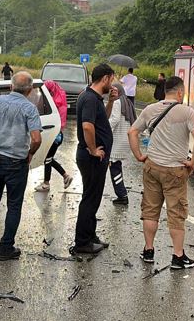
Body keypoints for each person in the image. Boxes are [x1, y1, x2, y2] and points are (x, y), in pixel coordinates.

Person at [129, 76, 194, 269]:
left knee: (150, 210)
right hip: (175, 170)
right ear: (180, 92)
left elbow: (132, 132)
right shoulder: (187, 112)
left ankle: (148, 250)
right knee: (176, 213)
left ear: (165, 91)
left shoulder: (149, 110)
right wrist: (193, 162)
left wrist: (139, 155)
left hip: (152, 166)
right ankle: (178, 257)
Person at [0, 71, 42, 260]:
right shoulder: (29, 109)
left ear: (11, 86)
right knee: (14, 205)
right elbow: (36, 139)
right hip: (16, 162)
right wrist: (29, 153)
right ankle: (6, 248)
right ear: (30, 90)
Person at [71, 63, 117, 254]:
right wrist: (93, 150)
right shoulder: (90, 98)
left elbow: (101, 121)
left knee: (93, 197)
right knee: (90, 198)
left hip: (93, 157)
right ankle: (83, 242)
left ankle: (90, 235)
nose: (112, 84)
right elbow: (88, 126)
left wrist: (111, 102)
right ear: (105, 78)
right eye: (111, 80)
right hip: (91, 158)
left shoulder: (94, 97)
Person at [34, 80, 74, 192]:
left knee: (47, 159)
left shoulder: (55, 103)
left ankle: (47, 183)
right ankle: (65, 176)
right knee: (48, 158)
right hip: (57, 134)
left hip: (55, 135)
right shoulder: (60, 99)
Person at [107, 81, 136, 205]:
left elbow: (114, 120)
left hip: (117, 140)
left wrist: (104, 130)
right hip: (125, 139)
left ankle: (122, 195)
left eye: (114, 90)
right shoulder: (127, 102)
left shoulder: (117, 102)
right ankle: (121, 193)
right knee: (116, 166)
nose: (112, 92)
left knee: (114, 168)